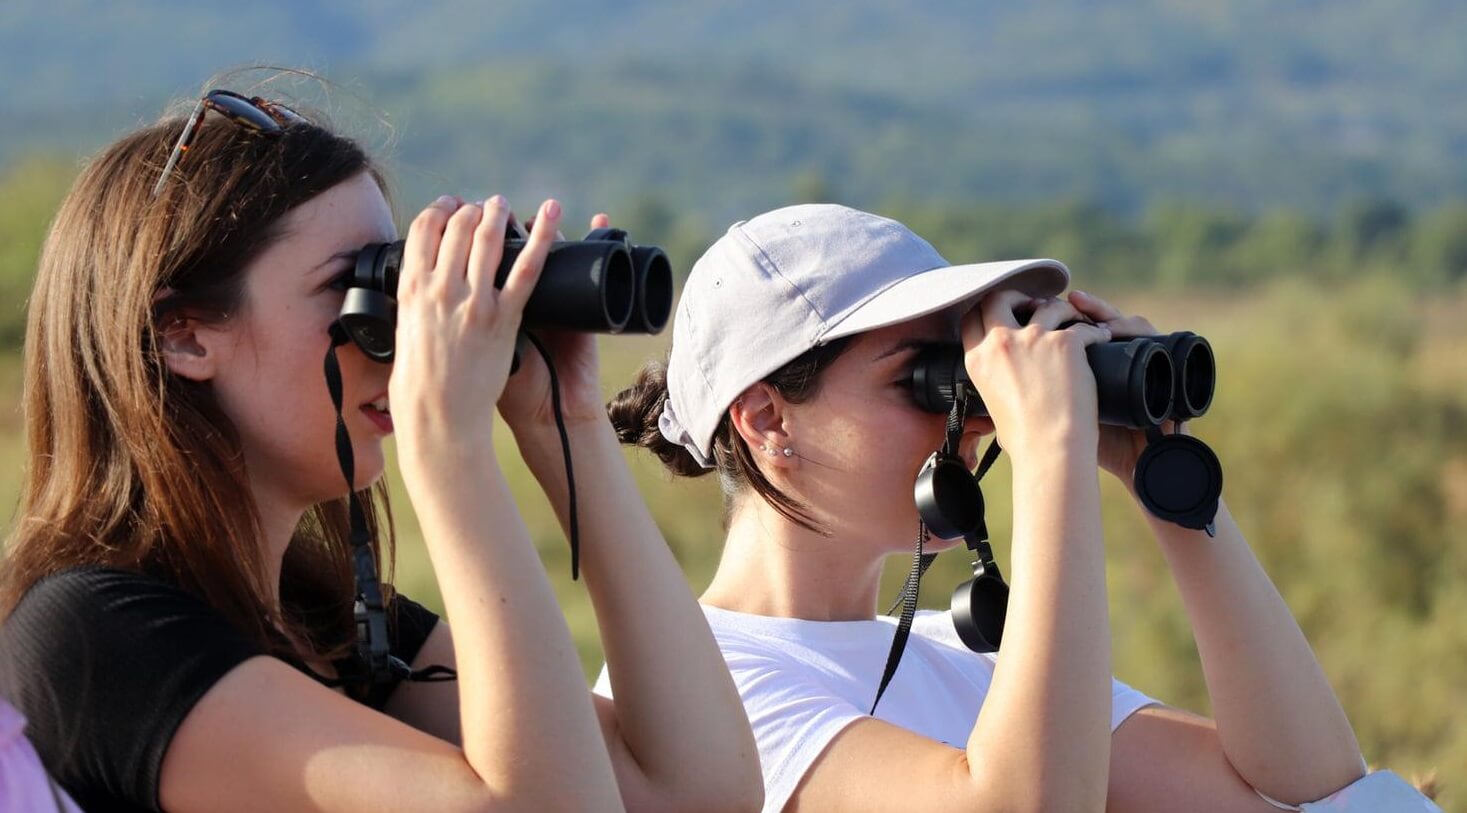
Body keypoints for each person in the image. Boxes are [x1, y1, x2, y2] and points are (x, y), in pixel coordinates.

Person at [0, 84, 761, 812]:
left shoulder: (324, 620)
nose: (399, 338)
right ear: (185, 334)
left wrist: (566, 423)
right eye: (353, 288)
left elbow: (697, 790)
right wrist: (447, 448)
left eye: (395, 285)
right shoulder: (96, 636)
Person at [604, 203, 1433, 812]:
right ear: (765, 418)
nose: (968, 416)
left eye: (964, 374)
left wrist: (1162, 478)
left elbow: (1317, 791)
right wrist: (1048, 453)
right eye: (921, 380)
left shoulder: (966, 659)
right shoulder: (697, 686)